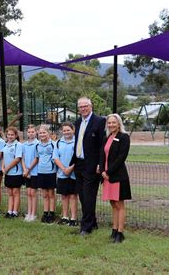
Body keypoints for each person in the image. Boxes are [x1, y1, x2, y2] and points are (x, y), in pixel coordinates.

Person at [71, 97, 106, 235]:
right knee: (82, 196)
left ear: (91, 106)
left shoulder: (99, 121)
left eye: (85, 106)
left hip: (92, 165)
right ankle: (93, 222)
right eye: (80, 107)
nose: (83, 108)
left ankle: (86, 228)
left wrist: (100, 164)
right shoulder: (78, 122)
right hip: (79, 163)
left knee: (89, 196)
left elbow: (102, 145)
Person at [99, 114, 131, 243]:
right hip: (106, 176)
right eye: (109, 123)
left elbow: (121, 157)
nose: (111, 125)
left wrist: (109, 172)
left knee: (119, 204)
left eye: (114, 122)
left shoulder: (124, 137)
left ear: (119, 124)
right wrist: (102, 171)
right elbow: (101, 155)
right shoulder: (106, 137)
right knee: (112, 203)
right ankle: (114, 229)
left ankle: (120, 233)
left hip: (117, 176)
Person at [53, 122, 77, 226]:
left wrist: (70, 169)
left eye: (68, 130)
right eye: (64, 130)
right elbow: (55, 157)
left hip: (74, 174)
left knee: (73, 196)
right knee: (64, 196)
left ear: (73, 130)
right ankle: (65, 217)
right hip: (62, 173)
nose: (66, 132)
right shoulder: (58, 142)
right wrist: (63, 169)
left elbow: (79, 157)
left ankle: (73, 218)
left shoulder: (77, 142)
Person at [37, 124, 57, 224]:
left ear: (48, 133)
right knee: (44, 194)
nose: (42, 134)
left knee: (51, 194)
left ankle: (52, 214)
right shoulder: (37, 145)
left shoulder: (53, 144)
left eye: (44, 132)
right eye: (40, 133)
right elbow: (37, 158)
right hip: (41, 171)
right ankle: (45, 213)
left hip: (51, 171)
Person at [1, 127, 23, 219]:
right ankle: (9, 211)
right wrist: (3, 167)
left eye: (12, 135)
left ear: (16, 135)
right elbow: (4, 158)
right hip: (8, 173)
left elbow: (17, 159)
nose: (10, 136)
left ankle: (15, 212)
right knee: (10, 193)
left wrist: (7, 168)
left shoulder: (18, 145)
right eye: (8, 134)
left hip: (16, 172)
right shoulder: (5, 145)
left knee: (15, 192)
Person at [21, 124, 39, 222]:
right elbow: (22, 158)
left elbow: (36, 158)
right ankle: (29, 213)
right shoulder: (24, 145)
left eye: (32, 132)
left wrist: (28, 170)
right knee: (28, 193)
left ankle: (33, 214)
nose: (31, 133)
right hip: (26, 172)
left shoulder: (38, 144)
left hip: (34, 172)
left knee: (33, 193)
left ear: (36, 132)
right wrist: (25, 170)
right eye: (29, 132)